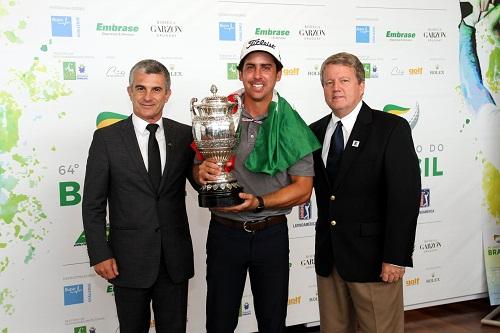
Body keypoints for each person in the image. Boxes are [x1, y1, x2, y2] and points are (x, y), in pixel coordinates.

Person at [194, 38, 321, 333]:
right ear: (240, 73)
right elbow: (196, 166)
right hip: (225, 233)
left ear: (278, 74)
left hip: (271, 235)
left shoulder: (292, 124)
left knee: (272, 322)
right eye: (250, 67)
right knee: (220, 321)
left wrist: (260, 202)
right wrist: (202, 170)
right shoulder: (219, 114)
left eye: (266, 67)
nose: (257, 75)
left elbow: (303, 189)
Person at [309, 52, 421, 333]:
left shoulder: (391, 129)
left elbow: (404, 198)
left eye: (344, 80)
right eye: (329, 82)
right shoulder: (314, 132)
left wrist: (396, 256)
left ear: (361, 85)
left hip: (374, 261)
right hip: (330, 259)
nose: (336, 88)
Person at [82, 59, 196, 333]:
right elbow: (93, 203)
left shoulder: (184, 135)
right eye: (140, 88)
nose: (148, 97)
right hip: (127, 260)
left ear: (167, 93)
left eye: (156, 90)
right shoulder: (107, 139)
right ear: (129, 91)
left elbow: (201, 184)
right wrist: (99, 253)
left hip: (174, 259)